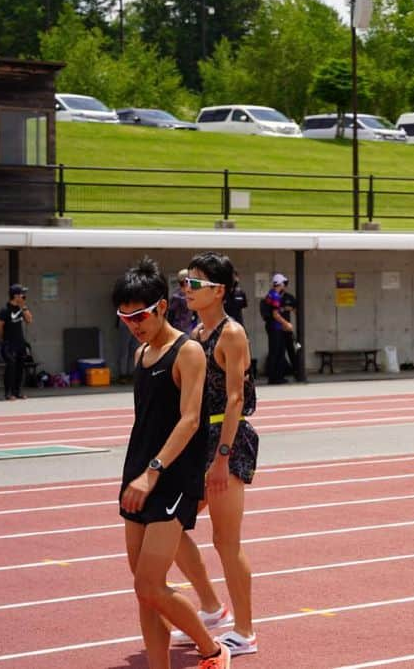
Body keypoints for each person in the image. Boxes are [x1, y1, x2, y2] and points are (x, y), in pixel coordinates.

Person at [112, 258, 230, 669]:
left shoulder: (189, 351)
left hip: (171, 475)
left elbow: (191, 419)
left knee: (149, 584)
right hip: (138, 473)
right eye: (125, 318)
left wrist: (153, 471)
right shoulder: (142, 352)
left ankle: (213, 651)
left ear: (162, 306)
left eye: (140, 315)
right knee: (145, 590)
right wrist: (136, 474)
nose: (134, 324)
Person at [170, 252, 260, 657]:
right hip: (197, 440)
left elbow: (237, 397)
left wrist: (222, 458)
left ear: (219, 290)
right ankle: (210, 608)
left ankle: (244, 631)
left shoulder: (231, 333)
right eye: (185, 282)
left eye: (195, 283)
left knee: (225, 540)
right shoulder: (194, 334)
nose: (186, 289)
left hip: (227, 438)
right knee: (167, 523)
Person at [0, 284, 32, 400]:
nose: (24, 296)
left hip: (20, 343)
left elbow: (29, 320)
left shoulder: (21, 309)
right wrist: (3, 339)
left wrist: (24, 306)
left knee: (20, 368)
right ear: (15, 295)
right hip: (9, 344)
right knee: (11, 366)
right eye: (22, 294)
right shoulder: (5, 310)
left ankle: (18, 392)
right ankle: (8, 393)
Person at [260, 274, 293, 385]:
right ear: (280, 284)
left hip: (272, 327)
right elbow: (275, 314)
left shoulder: (269, 294)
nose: (284, 285)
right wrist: (286, 324)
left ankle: (275, 376)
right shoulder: (275, 296)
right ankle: (275, 377)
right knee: (278, 352)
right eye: (284, 283)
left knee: (275, 351)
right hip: (275, 328)